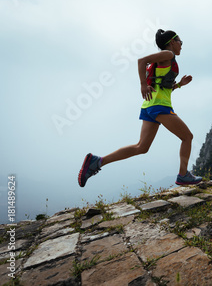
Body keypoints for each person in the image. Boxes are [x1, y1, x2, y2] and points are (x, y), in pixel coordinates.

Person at [78, 29, 202, 187]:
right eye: (180, 42)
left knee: (141, 147)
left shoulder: (165, 60)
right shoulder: (169, 55)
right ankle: (183, 175)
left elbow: (162, 88)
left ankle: (98, 161)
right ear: (172, 42)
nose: (181, 46)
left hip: (149, 106)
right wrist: (143, 84)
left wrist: (179, 85)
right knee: (187, 137)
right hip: (159, 107)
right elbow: (141, 60)